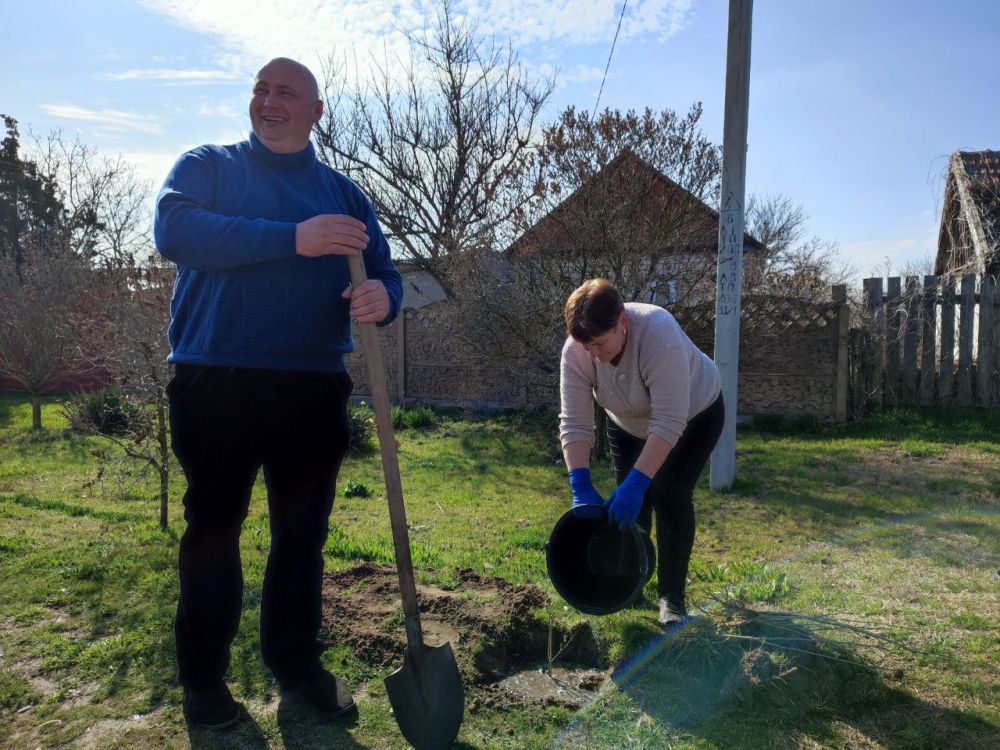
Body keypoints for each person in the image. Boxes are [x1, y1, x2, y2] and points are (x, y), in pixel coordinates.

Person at [154, 57, 402, 730]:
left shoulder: (345, 196)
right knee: (213, 532)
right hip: (216, 380)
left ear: (316, 111)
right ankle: (204, 684)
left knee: (301, 538)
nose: (269, 100)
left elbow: (385, 274)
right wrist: (297, 239)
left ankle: (296, 668)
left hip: (312, 386)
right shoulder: (209, 165)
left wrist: (385, 296)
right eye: (261, 88)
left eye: (286, 91)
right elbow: (174, 231)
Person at [559, 278, 724, 628]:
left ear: (622, 323)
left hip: (693, 415)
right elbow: (574, 422)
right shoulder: (577, 351)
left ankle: (672, 599)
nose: (592, 354)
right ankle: (632, 581)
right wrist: (580, 482)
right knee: (630, 501)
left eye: (599, 344)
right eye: (584, 345)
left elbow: (668, 421)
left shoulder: (657, 333)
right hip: (628, 421)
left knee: (668, 494)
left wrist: (639, 483)